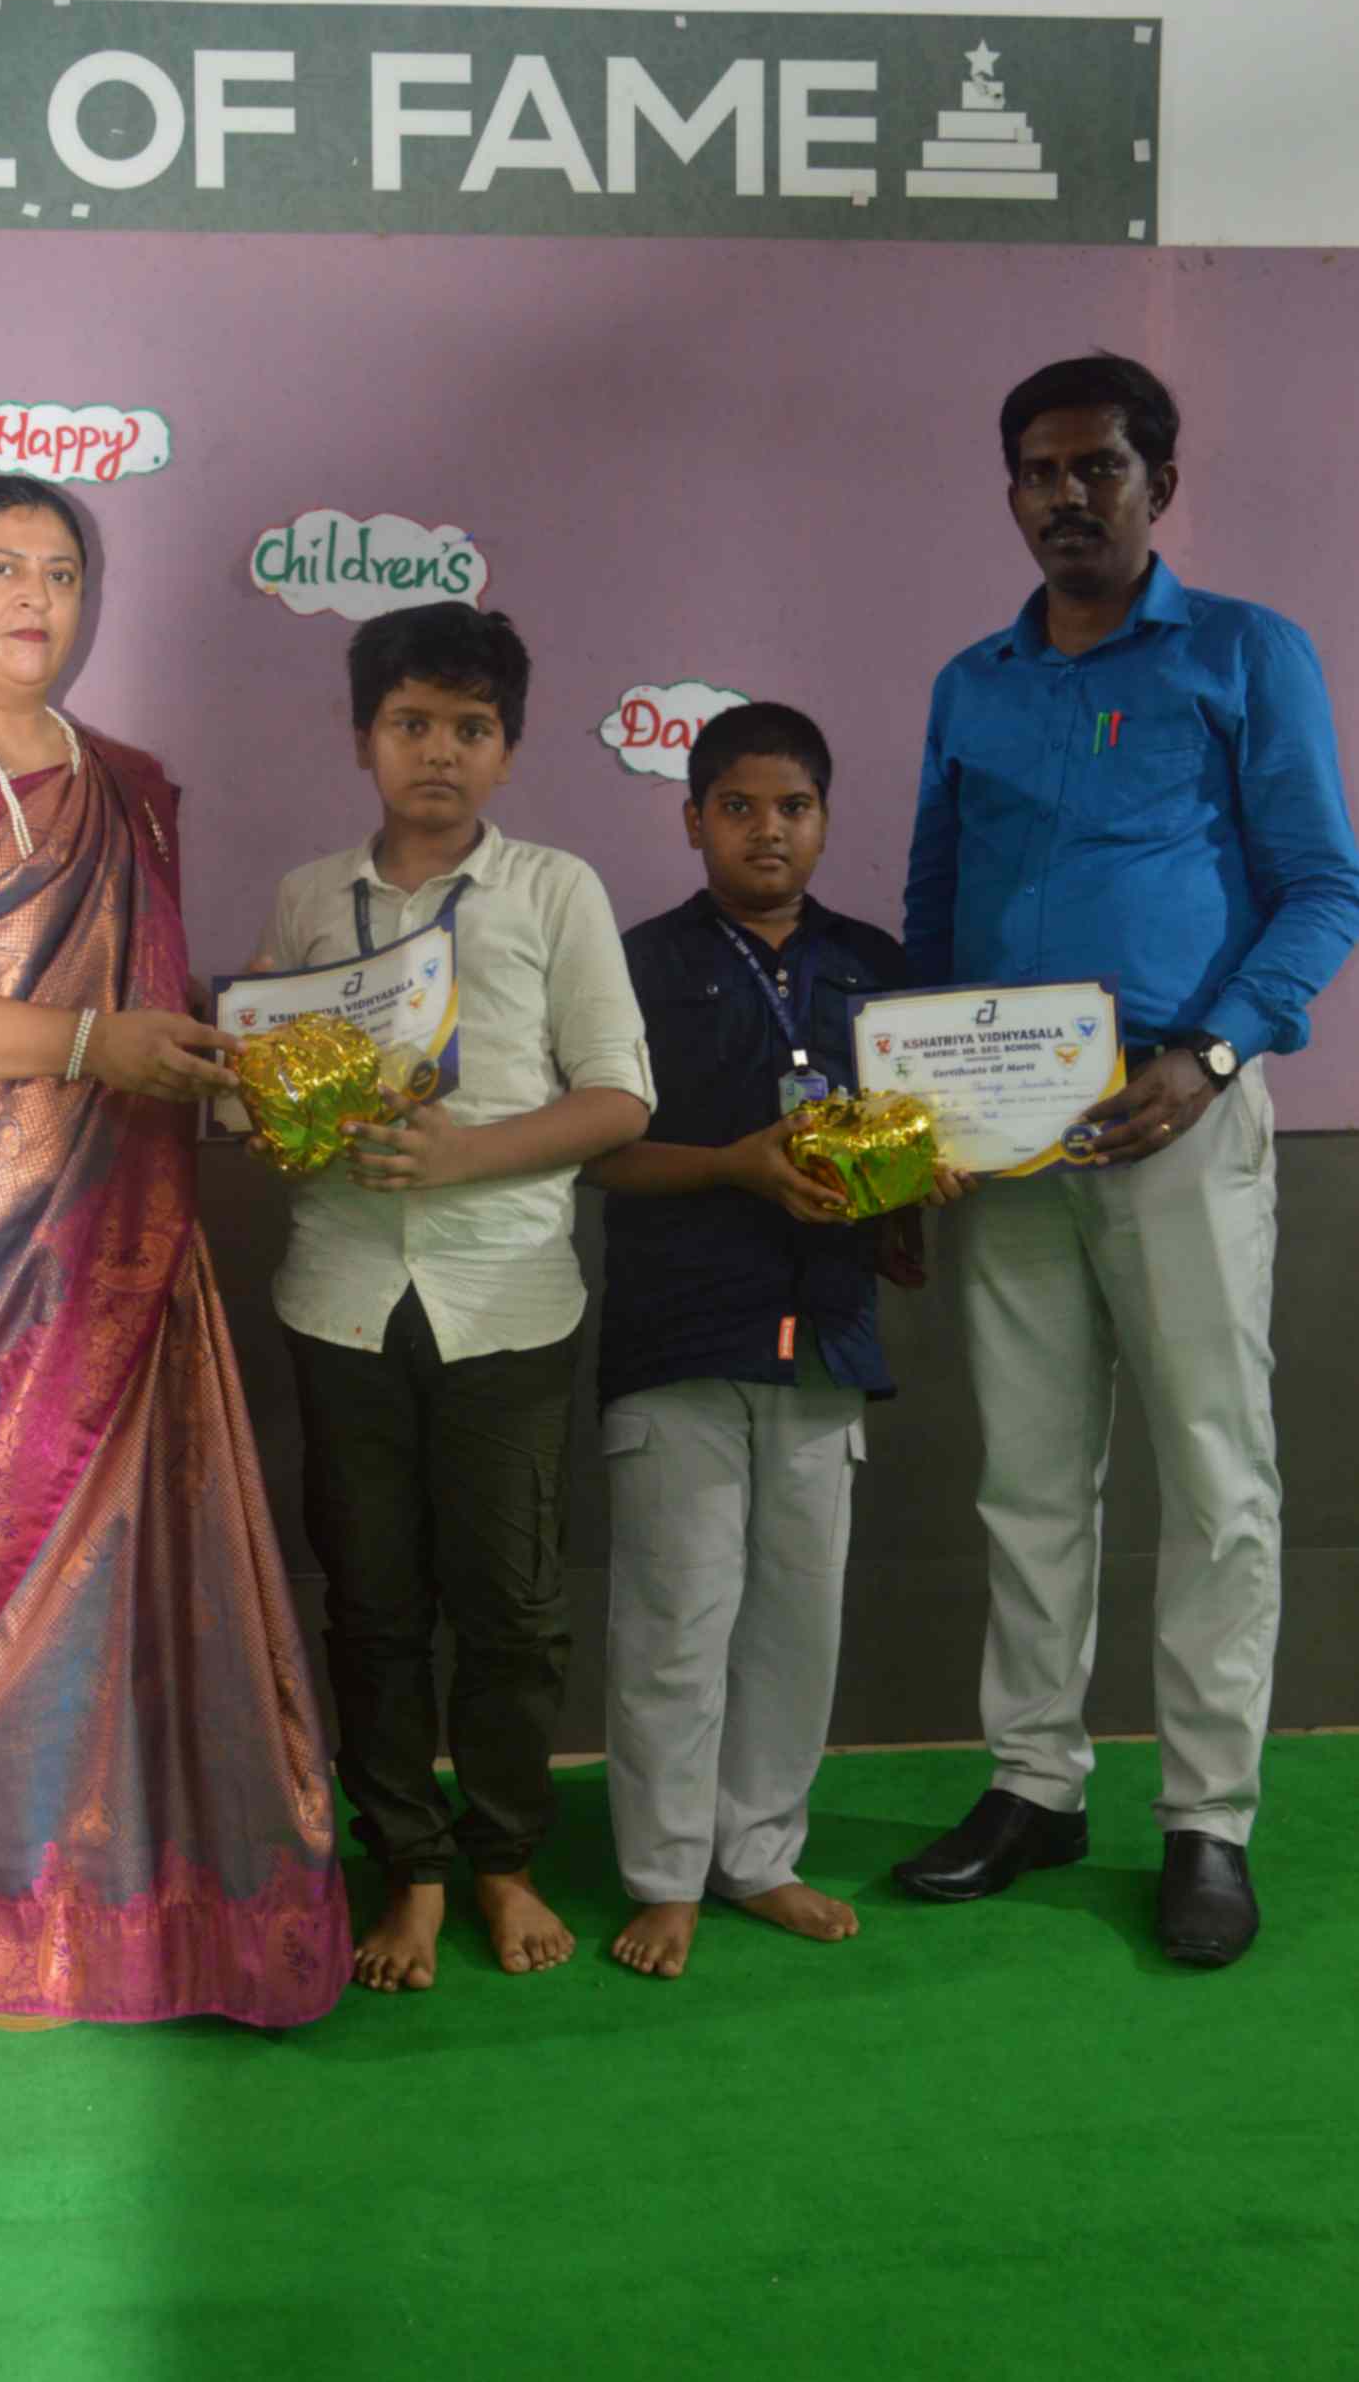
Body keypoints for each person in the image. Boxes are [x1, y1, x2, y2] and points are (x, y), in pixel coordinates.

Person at [0, 474, 350, 2028]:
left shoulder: (125, 782)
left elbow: (151, 1004)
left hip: (121, 1232)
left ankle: (167, 1918)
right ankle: (5, 1925)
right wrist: (92, 1043)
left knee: (140, 1573)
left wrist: (257, 1053)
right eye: (1, 566)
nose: (35, 596)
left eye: (61, 570)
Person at [898, 354, 1359, 1964]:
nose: (1065, 496)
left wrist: (1212, 1053)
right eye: (1038, 470)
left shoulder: (1242, 652)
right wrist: (919, 1108)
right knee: (1028, 1478)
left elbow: (1323, 887)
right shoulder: (972, 683)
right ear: (1010, 493)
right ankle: (1034, 1785)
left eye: (1097, 466)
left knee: (1216, 1478)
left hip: (1178, 1105)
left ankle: (1206, 1819)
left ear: (1159, 483)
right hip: (1005, 1133)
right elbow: (933, 901)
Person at [254, 600, 652, 1993]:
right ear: (362, 737)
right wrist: (263, 1106)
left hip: (509, 1298)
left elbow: (620, 1096)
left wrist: (465, 1154)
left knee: (511, 1605)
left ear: (509, 746)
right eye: (410, 722)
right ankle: (409, 1864)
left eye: (470, 727)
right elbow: (273, 1089)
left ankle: (502, 1856)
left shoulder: (555, 889)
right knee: (370, 1602)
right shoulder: (310, 899)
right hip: (341, 1294)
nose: (439, 750)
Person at [587, 701, 961, 1978]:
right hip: (679, 1335)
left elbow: (925, 1126)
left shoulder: (876, 966)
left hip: (827, 1334)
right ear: (692, 818)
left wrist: (933, 1165)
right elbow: (598, 1154)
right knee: (675, 1618)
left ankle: (756, 1854)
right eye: (738, 806)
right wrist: (734, 1165)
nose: (767, 830)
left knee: (796, 1620)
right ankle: (664, 1872)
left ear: (825, 821)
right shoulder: (634, 964)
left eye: (792, 807)